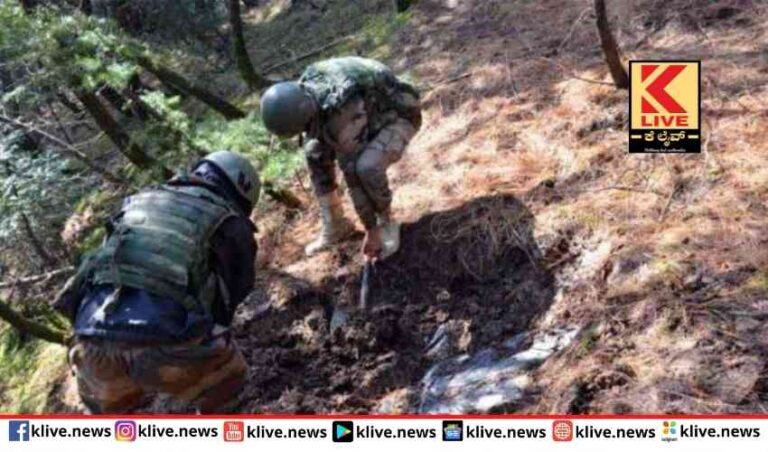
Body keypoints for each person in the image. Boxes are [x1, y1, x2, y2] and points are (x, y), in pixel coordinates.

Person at [54, 151, 259, 414]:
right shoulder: (229, 220)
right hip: (165, 348)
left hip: (92, 349)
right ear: (242, 192)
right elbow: (232, 296)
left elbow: (90, 275)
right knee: (230, 380)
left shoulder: (135, 203)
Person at [260, 56, 422, 260]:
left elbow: (353, 174)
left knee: (367, 167)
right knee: (314, 151)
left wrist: (371, 230)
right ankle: (336, 225)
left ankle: (386, 223)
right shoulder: (304, 94)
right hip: (370, 110)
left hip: (400, 114)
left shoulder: (341, 114)